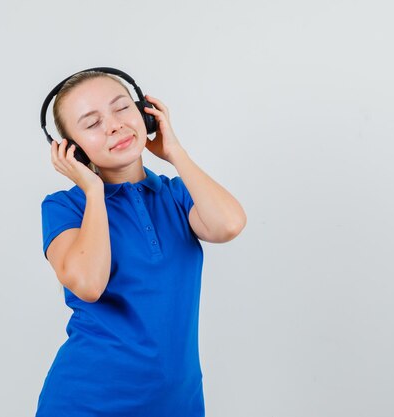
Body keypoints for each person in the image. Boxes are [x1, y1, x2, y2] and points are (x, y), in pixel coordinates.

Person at [36, 69, 247, 416]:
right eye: (91, 123)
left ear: (144, 112)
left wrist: (175, 152)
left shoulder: (178, 195)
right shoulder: (65, 207)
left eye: (122, 108)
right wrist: (93, 190)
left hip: (179, 404)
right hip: (86, 404)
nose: (115, 125)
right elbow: (88, 283)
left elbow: (229, 224)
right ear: (71, 150)